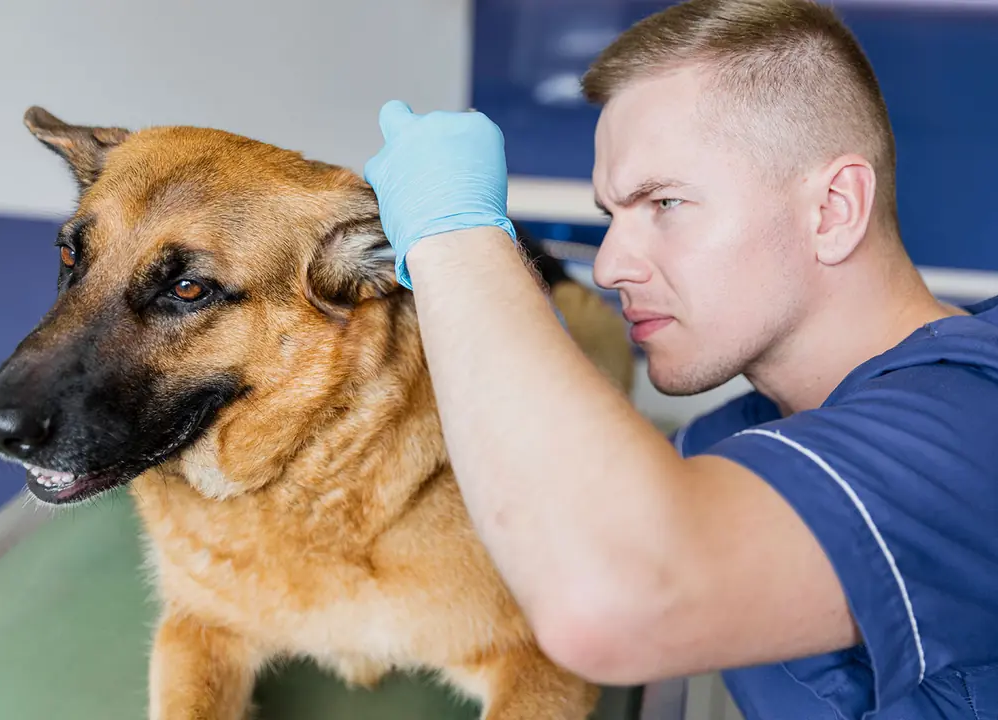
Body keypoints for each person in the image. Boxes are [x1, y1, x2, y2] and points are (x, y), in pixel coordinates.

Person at [362, 0, 998, 717]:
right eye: (613, 216)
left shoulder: (977, 416)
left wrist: (456, 236)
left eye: (663, 203)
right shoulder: (727, 447)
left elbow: (614, 601)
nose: (608, 267)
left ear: (833, 209)